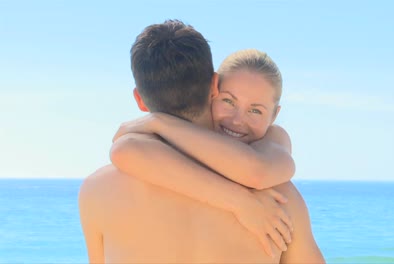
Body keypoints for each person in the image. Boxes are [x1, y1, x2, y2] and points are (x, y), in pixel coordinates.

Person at [79, 19, 324, 263]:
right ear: (214, 86)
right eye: (230, 102)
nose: (238, 121)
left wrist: (157, 122)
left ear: (140, 100)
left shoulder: (96, 191)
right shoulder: (279, 199)